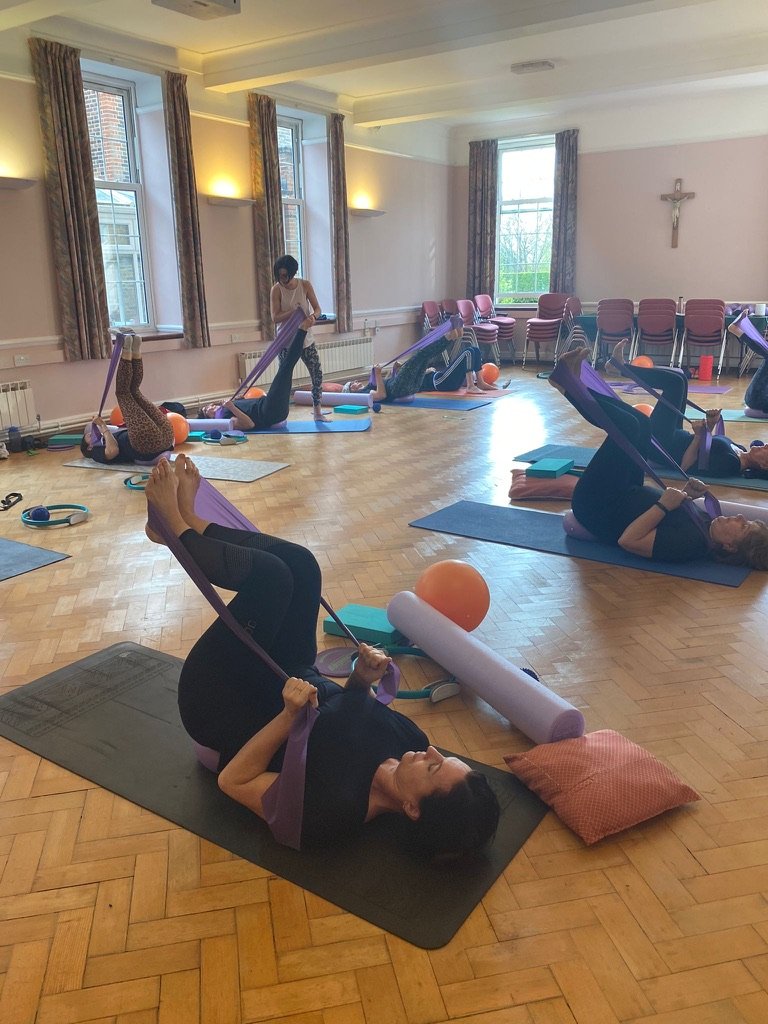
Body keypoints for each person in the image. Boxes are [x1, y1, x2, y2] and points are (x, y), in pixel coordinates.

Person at [143, 455, 500, 858]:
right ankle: (190, 522)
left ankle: (174, 528)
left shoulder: (332, 811)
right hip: (288, 670)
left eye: (434, 767)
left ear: (412, 809)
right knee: (303, 567)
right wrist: (363, 678)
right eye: (442, 757)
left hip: (222, 702)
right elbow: (351, 711)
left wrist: (287, 717)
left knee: (272, 579)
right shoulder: (411, 741)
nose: (431, 751)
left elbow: (233, 782)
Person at [551, 347, 768, 568]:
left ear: (730, 546)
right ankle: (576, 383)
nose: (739, 517)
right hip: (625, 491)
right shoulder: (707, 525)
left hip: (597, 504)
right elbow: (674, 515)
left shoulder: (690, 544)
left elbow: (628, 541)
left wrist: (664, 505)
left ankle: (568, 386)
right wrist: (687, 494)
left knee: (627, 428)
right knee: (642, 424)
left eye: (743, 526)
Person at [611, 341, 768, 479]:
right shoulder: (741, 450)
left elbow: (686, 467)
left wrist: (698, 436)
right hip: (675, 436)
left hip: (662, 447)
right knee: (681, 378)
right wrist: (710, 424)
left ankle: (620, 368)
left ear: (764, 465)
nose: (766, 445)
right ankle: (620, 367)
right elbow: (706, 450)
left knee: (675, 383)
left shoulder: (731, 464)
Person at [201, 317, 313, 430]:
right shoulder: (222, 418)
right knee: (286, 367)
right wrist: (231, 407)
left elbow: (248, 410)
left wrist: (239, 401)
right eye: (206, 409)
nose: (211, 406)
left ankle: (302, 330)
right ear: (209, 418)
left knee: (286, 367)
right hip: (269, 411)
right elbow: (249, 424)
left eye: (210, 405)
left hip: (269, 406)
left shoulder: (224, 409)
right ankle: (302, 329)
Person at [343, 324, 502, 403]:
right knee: (421, 354)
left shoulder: (369, 386)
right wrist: (378, 374)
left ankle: (450, 339)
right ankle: (448, 338)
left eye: (354, 382)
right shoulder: (363, 394)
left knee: (425, 358)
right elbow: (382, 395)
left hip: (405, 387)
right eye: (352, 384)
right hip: (399, 388)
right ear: (351, 391)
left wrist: (395, 371)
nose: (356, 382)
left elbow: (386, 385)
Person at [80, 335, 175, 464]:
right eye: (90, 436)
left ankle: (135, 351)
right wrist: (102, 425)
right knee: (122, 393)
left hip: (165, 436)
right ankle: (126, 350)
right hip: (148, 443)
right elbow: (113, 451)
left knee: (134, 391)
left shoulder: (106, 437)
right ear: (90, 447)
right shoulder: (96, 453)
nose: (93, 433)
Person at [270, 255, 328, 422]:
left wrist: (312, 317)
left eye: (285, 275)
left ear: (293, 273)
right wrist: (294, 312)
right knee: (283, 379)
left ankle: (317, 412)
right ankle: (280, 415)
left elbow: (317, 309)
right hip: (285, 342)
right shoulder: (276, 289)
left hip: (306, 340)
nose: (282, 279)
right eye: (279, 275)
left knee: (317, 374)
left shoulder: (305, 285)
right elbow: (275, 317)